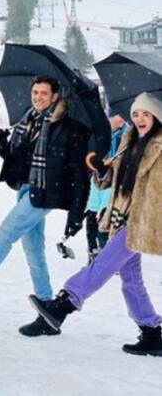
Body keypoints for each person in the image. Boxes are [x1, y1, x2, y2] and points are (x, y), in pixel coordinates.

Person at [0, 75, 90, 337]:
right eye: (35, 92)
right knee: (33, 250)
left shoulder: (66, 127)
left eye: (44, 93)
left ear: (55, 96)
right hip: (25, 189)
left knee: (6, 232)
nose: (38, 97)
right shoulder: (28, 120)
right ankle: (47, 311)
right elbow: (21, 159)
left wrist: (77, 215)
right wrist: (4, 146)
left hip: (44, 193)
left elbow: (79, 173)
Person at [30, 93, 162, 356]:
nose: (139, 119)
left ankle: (65, 303)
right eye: (135, 115)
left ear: (156, 117)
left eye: (145, 114)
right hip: (122, 216)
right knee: (131, 279)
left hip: (143, 220)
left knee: (101, 264)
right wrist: (103, 172)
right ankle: (152, 331)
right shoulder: (131, 141)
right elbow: (119, 182)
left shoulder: (159, 147)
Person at [85, 111, 127, 261]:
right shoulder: (98, 131)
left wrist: (114, 163)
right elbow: (88, 154)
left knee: (105, 215)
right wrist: (96, 162)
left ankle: (106, 252)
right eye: (119, 116)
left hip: (114, 182)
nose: (122, 120)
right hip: (96, 180)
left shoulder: (127, 134)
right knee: (91, 213)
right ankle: (92, 249)